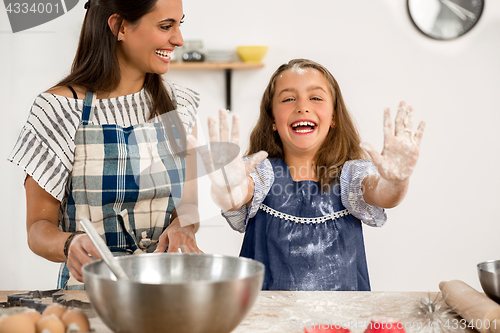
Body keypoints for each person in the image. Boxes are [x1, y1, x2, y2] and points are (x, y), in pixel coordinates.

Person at [8, 0, 203, 290]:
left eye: (179, 24)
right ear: (119, 26)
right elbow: (38, 228)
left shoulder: (179, 106)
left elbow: (187, 207)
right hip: (90, 296)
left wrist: (183, 227)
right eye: (166, 26)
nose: (178, 39)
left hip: (167, 291)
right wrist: (69, 243)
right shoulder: (58, 110)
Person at [190, 58, 425, 291]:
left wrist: (396, 180)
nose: (302, 106)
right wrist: (226, 187)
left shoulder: (353, 174)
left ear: (333, 117)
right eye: (288, 98)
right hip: (267, 319)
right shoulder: (259, 171)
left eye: (316, 97)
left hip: (340, 320)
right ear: (272, 118)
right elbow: (235, 195)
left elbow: (384, 195)